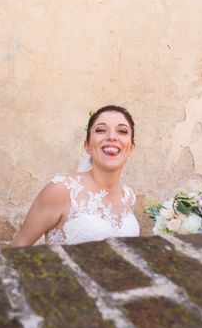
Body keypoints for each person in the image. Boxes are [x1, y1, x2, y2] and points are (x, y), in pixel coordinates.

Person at [12, 105, 139, 246]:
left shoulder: (129, 196)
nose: (112, 137)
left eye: (122, 131)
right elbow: (17, 249)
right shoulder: (62, 190)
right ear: (87, 146)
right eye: (101, 130)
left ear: (131, 147)